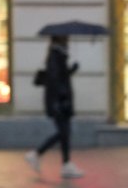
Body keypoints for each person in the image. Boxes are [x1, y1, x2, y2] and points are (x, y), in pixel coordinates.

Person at [24, 35, 84, 179]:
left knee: (65, 133)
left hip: (59, 100)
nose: (69, 39)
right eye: (66, 38)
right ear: (60, 39)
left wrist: (71, 71)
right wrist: (60, 100)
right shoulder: (56, 56)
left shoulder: (59, 55)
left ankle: (66, 164)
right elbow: (55, 81)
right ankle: (37, 154)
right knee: (63, 132)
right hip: (59, 101)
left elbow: (59, 78)